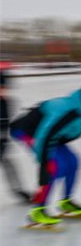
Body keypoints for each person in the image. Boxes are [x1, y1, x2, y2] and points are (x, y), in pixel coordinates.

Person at [10, 81, 81, 226]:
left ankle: (66, 201)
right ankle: (38, 210)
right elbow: (45, 136)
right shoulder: (70, 112)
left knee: (73, 162)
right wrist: (45, 163)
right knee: (53, 166)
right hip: (28, 130)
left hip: (51, 135)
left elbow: (62, 133)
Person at [0, 69, 32, 203]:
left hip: (2, 142)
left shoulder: (7, 103)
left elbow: (11, 123)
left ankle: (19, 191)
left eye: (3, 88)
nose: (2, 91)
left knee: (10, 166)